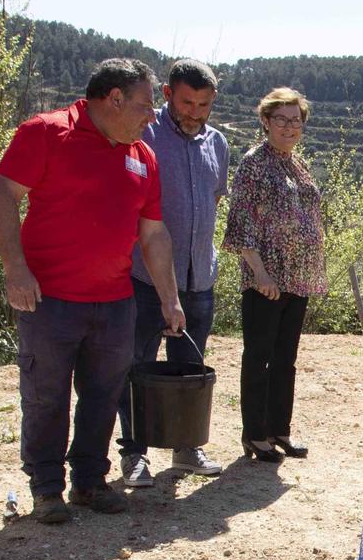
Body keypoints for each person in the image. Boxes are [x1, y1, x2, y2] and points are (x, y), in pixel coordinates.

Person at [0, 57, 186, 525]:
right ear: (113, 99)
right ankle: (46, 488)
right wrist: (15, 268)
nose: (152, 116)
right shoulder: (46, 132)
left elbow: (154, 234)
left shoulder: (143, 156)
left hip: (115, 302)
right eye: (143, 105)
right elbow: (1, 196)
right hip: (48, 300)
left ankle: (90, 482)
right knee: (46, 396)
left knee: (103, 393)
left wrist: (169, 297)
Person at [119, 58, 230, 486]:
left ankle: (186, 448)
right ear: (167, 94)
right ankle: (134, 454)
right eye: (187, 102)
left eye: (204, 104)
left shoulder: (217, 143)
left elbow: (213, 201)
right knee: (137, 367)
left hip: (199, 278)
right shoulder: (142, 135)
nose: (196, 112)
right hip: (144, 278)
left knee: (190, 370)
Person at [222, 87, 324, 463]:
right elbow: (243, 221)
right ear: (265, 121)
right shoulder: (255, 162)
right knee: (259, 356)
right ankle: (255, 434)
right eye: (281, 119)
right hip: (266, 279)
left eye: (295, 120)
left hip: (297, 278)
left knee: (286, 358)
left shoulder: (298, 164)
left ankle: (279, 429)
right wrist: (260, 272)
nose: (289, 127)